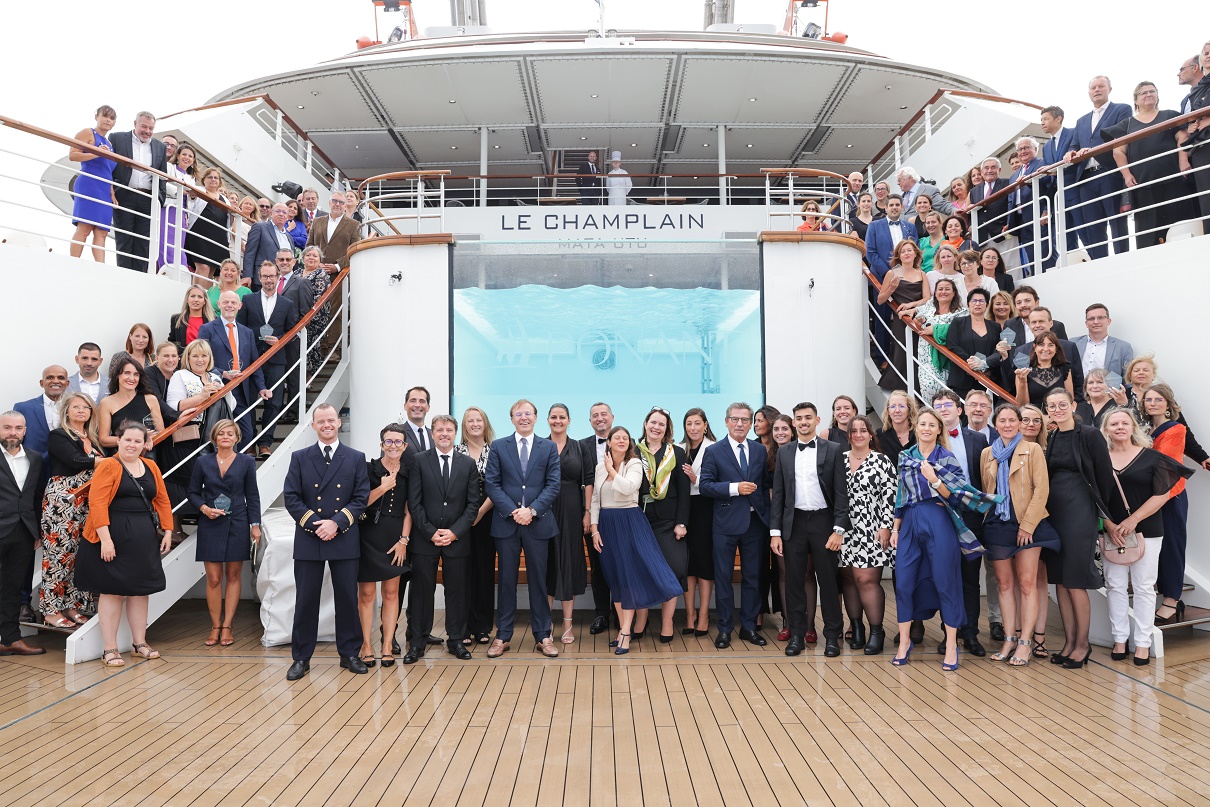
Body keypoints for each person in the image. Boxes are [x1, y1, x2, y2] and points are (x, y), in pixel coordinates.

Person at [890, 408, 997, 671]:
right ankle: (904, 641)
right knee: (903, 582)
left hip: (938, 521)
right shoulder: (905, 456)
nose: (926, 428)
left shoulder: (947, 458)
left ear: (939, 430)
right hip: (910, 523)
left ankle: (951, 644)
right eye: (922, 424)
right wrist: (895, 529)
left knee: (946, 582)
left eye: (932, 425)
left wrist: (935, 480)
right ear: (916, 428)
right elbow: (901, 496)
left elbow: (958, 496)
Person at [282, 404, 371, 680]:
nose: (327, 425)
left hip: (343, 537)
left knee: (346, 599)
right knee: (306, 600)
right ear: (313, 426)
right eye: (321, 421)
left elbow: (360, 497)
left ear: (339, 423)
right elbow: (291, 497)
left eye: (331, 420)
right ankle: (301, 658)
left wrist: (337, 523)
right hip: (310, 538)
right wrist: (315, 524)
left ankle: (349, 654)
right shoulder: (300, 457)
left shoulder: (356, 457)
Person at [78, 422, 173, 665]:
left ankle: (139, 642)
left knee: (141, 591)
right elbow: (97, 504)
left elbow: (161, 499)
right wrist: (105, 540)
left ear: (145, 444)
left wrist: (169, 530)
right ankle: (109, 649)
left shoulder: (151, 465)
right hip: (113, 534)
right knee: (111, 591)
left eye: (137, 441)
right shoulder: (109, 465)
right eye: (127, 440)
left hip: (143, 538)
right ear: (118, 441)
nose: (132, 445)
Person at [1103, 408, 1191, 666]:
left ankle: (1142, 643)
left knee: (1143, 587)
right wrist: (1108, 524)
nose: (1119, 427)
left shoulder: (1153, 458)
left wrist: (1133, 520)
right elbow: (1094, 496)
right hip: (1111, 531)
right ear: (1106, 430)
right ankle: (1120, 640)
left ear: (1133, 428)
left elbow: (1162, 495)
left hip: (1148, 530)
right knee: (1115, 586)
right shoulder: (1100, 459)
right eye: (1114, 423)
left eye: (1124, 423)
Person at [589, 426, 684, 654]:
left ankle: (624, 633)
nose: (621, 441)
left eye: (625, 438)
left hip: (628, 521)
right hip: (606, 525)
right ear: (609, 442)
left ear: (629, 443)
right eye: (616, 438)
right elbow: (595, 499)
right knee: (615, 579)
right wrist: (594, 530)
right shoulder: (599, 467)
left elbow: (628, 488)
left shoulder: (634, 464)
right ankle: (625, 629)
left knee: (628, 577)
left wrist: (613, 471)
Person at [979, 403, 1061, 666]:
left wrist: (1027, 525)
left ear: (1019, 423)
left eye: (1012, 420)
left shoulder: (1032, 448)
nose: (1007, 425)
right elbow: (986, 490)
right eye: (1001, 420)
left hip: (1028, 524)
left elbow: (1042, 490)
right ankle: (1009, 639)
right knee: (1004, 585)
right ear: (995, 424)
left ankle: (1025, 642)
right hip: (997, 525)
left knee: (1027, 584)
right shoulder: (987, 453)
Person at [770, 402, 850, 658]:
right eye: (799, 418)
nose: (803, 422)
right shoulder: (784, 452)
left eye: (808, 418)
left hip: (824, 522)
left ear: (817, 420)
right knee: (794, 581)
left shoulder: (834, 449)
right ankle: (796, 635)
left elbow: (841, 492)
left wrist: (839, 529)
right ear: (794, 423)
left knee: (828, 581)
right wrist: (775, 532)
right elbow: (779, 495)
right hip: (794, 524)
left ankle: (831, 637)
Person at [483, 399, 562, 659]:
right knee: (506, 581)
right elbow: (492, 484)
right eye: (519, 414)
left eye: (528, 413)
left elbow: (553, 484)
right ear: (512, 418)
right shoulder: (498, 446)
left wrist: (532, 510)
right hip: (507, 523)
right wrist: (514, 511)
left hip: (538, 523)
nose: (524, 417)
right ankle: (503, 635)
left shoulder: (548, 447)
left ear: (536, 417)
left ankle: (543, 635)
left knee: (539, 581)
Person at [1042, 387, 1114, 669]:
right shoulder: (1053, 435)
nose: (1057, 410)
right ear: (1046, 409)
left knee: (1075, 579)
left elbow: (1104, 476)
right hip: (1055, 513)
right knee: (1060, 580)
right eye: (1052, 406)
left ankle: (1083, 646)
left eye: (1062, 405)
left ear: (1073, 405)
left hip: (1079, 511)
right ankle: (1069, 643)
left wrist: (1097, 512)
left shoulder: (1090, 434)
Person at [406, 414, 480, 663]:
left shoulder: (467, 464)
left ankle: (456, 640)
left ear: (455, 433)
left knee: (457, 591)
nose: (444, 434)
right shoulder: (418, 461)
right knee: (421, 592)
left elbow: (473, 504)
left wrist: (455, 532)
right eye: (439, 430)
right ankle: (417, 642)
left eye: (449, 430)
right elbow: (414, 503)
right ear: (432, 433)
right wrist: (429, 531)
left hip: (457, 539)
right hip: (425, 539)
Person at [699, 402, 770, 649]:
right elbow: (705, 485)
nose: (740, 424)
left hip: (755, 525)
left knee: (753, 577)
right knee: (724, 578)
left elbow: (763, 486)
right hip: (725, 524)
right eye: (735, 419)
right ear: (727, 421)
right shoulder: (714, 451)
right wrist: (734, 489)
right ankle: (725, 629)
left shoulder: (759, 451)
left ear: (751, 424)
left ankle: (749, 627)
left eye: (745, 420)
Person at [927, 390, 990, 656]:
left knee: (970, 578)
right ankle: (948, 632)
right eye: (937, 405)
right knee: (945, 577)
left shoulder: (978, 439)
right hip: (941, 515)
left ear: (959, 410)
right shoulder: (928, 442)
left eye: (948, 404)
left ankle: (971, 633)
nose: (943, 408)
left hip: (971, 517)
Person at [188, 420, 260, 648]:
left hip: (237, 522)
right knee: (214, 578)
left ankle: (227, 625)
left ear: (237, 438)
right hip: (210, 523)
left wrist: (255, 524)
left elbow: (253, 495)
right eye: (221, 433)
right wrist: (204, 508)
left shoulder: (247, 461)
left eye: (230, 433)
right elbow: (192, 492)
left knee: (234, 576)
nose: (226, 436)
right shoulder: (203, 462)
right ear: (214, 437)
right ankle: (215, 625)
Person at [1102, 82, 1195, 249]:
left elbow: (1182, 137)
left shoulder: (1169, 115)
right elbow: (1118, 152)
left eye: (1152, 91)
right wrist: (1126, 174)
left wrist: (1183, 160)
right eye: (1143, 92)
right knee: (1149, 238)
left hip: (1174, 181)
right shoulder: (1128, 124)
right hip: (1144, 187)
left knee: (1182, 230)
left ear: (1158, 96)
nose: (1148, 94)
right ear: (1136, 100)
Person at [39, 393, 105, 628]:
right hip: (63, 502)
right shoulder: (59, 435)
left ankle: (72, 606)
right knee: (58, 556)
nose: (81, 411)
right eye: (76, 407)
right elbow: (75, 460)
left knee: (80, 556)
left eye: (86, 407)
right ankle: (50, 609)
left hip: (88, 504)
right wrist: (111, 462)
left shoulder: (94, 439)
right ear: (66, 411)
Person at [838, 414, 895, 655]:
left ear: (871, 434)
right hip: (843, 531)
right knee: (849, 579)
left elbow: (891, 497)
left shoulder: (881, 461)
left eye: (863, 430)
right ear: (848, 435)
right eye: (854, 431)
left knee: (866, 580)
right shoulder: (838, 460)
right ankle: (857, 628)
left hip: (872, 530)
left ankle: (876, 631)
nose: (858, 434)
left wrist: (886, 526)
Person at [357, 423, 412, 666]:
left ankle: (388, 644)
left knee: (391, 593)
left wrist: (403, 541)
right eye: (388, 442)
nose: (393, 446)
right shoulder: (369, 469)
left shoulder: (410, 472)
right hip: (368, 535)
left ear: (405, 446)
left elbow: (410, 511)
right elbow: (359, 503)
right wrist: (382, 487)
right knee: (367, 594)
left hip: (395, 537)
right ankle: (366, 644)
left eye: (397, 442)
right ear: (381, 445)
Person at [635, 407, 691, 642]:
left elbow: (685, 492)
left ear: (667, 429)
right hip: (639, 521)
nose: (656, 427)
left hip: (669, 523)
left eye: (662, 424)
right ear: (646, 424)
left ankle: (667, 622)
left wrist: (681, 523)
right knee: (640, 571)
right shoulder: (633, 452)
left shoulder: (677, 453)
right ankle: (640, 620)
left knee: (673, 570)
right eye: (653, 422)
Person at [1141, 385, 1191, 626]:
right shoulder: (1144, 429)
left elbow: (1165, 464)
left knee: (1172, 546)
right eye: (1148, 399)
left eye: (1158, 399)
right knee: (1154, 548)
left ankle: (1172, 600)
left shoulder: (1176, 428)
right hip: (1150, 497)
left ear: (1168, 404)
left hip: (1171, 495)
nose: (1152, 403)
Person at [238, 261, 300, 458]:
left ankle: (265, 443)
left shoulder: (287, 304)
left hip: (276, 359)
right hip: (251, 359)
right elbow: (241, 328)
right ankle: (249, 442)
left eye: (271, 276)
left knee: (273, 403)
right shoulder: (248, 300)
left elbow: (292, 331)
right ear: (259, 278)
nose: (268, 280)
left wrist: (279, 340)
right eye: (264, 276)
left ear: (277, 276)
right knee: (248, 401)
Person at [1065, 76, 1132, 259]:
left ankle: (1122, 258)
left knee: (1116, 220)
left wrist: (1093, 149)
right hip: (1085, 178)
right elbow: (1074, 144)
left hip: (1109, 171)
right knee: (1092, 224)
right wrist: (1070, 152)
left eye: (1101, 86)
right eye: (1093, 87)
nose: (1097, 90)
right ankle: (1099, 261)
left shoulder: (1121, 109)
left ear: (1110, 89)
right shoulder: (1081, 121)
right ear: (1089, 93)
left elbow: (1121, 134)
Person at [198, 291, 272, 449]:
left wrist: (261, 387)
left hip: (241, 389)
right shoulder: (207, 329)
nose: (229, 306)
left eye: (233, 302)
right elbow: (200, 360)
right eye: (225, 302)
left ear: (239, 306)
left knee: (247, 433)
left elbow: (254, 363)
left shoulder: (247, 332)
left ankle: (235, 463)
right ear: (218, 304)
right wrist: (222, 373)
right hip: (218, 389)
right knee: (217, 433)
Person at [0, 412, 46, 656]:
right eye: (7, 427)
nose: (12, 433)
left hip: (23, 532)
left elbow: (36, 496)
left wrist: (36, 529)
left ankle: (10, 639)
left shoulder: (35, 458)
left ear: (25, 430)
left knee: (12, 588)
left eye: (18, 428)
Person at [545, 404, 591, 644]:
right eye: (553, 417)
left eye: (562, 417)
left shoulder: (580, 447)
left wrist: (587, 512)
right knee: (548, 564)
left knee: (569, 563)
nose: (558, 420)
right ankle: (545, 626)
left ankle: (568, 626)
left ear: (569, 420)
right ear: (547, 420)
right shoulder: (540, 445)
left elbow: (588, 481)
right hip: (545, 511)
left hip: (573, 511)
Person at [1120, 355, 1210, 469]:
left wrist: (1201, 456)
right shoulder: (1120, 396)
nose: (1141, 373)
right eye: (1136, 370)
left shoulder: (1162, 395)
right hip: (1129, 456)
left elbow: (1183, 429)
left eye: (1146, 370)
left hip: (1157, 458)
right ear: (1129, 376)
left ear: (1153, 375)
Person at [455, 407, 496, 645]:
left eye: (479, 419)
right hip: (460, 519)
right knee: (462, 573)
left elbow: (497, 486)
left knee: (484, 571)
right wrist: (467, 516)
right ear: (465, 425)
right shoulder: (456, 450)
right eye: (470, 420)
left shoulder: (496, 451)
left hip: (488, 517)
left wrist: (479, 513)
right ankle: (464, 626)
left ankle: (482, 627)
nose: (475, 423)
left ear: (485, 423)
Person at [109, 112, 168, 273]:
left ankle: (140, 277)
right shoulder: (117, 138)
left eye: (151, 128)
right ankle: (124, 275)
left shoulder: (159, 147)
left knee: (144, 242)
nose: (147, 131)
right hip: (124, 195)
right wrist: (111, 190)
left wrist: (159, 199)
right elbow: (108, 165)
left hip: (148, 198)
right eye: (144, 126)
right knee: (124, 239)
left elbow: (162, 175)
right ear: (135, 123)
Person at [866, 195, 919, 363]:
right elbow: (871, 253)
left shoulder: (910, 227)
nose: (895, 207)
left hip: (908, 281)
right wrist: (890, 273)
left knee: (905, 319)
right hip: (883, 279)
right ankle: (883, 358)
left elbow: (915, 251)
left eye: (897, 205)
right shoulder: (874, 226)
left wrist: (905, 273)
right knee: (882, 319)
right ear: (886, 208)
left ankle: (905, 359)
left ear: (902, 207)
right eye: (892, 205)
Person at [307, 193, 361, 353]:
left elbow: (355, 250)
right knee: (317, 310)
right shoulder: (317, 222)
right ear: (329, 203)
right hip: (318, 274)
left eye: (341, 202)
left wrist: (337, 266)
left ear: (346, 206)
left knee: (336, 311)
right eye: (335, 201)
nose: (338, 204)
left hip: (340, 275)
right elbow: (309, 245)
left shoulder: (353, 224)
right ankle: (319, 346)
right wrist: (316, 263)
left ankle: (334, 349)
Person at [679, 407, 716, 637]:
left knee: (704, 562)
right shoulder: (679, 449)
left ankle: (703, 614)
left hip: (705, 508)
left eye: (697, 423)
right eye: (689, 424)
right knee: (687, 563)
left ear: (705, 424)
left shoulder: (714, 447)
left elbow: (720, 478)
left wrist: (696, 478)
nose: (693, 428)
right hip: (684, 509)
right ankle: (689, 614)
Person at [578, 402, 615, 632]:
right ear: (590, 421)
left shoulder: (627, 441)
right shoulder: (581, 446)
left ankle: (624, 612)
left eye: (603, 414)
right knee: (598, 566)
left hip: (620, 514)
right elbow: (581, 482)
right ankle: (602, 614)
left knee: (621, 563)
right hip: (592, 515)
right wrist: (587, 512)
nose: (599, 418)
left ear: (612, 417)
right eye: (595, 415)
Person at [876, 239, 929, 391]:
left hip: (918, 317)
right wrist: (891, 289)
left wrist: (912, 305)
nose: (906, 253)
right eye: (903, 251)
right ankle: (898, 387)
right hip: (901, 320)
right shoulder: (893, 273)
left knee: (918, 352)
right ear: (899, 255)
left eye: (909, 250)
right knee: (901, 351)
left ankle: (917, 388)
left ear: (915, 254)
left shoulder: (921, 273)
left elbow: (927, 298)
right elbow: (880, 300)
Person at [69, 105, 117, 262]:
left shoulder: (109, 144)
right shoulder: (88, 132)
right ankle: (73, 261)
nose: (108, 120)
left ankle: (100, 266)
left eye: (111, 118)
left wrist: (112, 192)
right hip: (89, 184)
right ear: (97, 116)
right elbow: (73, 155)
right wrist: (95, 153)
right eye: (105, 116)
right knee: (85, 226)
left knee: (102, 231)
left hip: (104, 189)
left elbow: (107, 170)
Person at [1039, 105, 1080, 258]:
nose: (1042, 123)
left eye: (1046, 119)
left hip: (1076, 190)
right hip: (1059, 196)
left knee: (1083, 229)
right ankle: (1072, 261)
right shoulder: (1047, 146)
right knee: (1065, 234)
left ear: (1058, 119)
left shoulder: (1073, 133)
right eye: (1041, 120)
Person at [913, 278, 963, 404]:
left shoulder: (961, 313)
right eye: (940, 289)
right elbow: (917, 316)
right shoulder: (929, 307)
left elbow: (960, 331)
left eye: (947, 289)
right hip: (925, 358)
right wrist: (918, 320)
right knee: (928, 387)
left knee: (947, 396)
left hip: (946, 360)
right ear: (935, 293)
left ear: (954, 293)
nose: (943, 292)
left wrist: (935, 329)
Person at [98, 358, 165, 450]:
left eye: (136, 374)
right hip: (119, 456)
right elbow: (103, 440)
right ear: (118, 375)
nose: (132, 378)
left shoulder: (150, 399)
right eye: (127, 373)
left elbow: (161, 432)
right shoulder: (106, 402)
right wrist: (136, 439)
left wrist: (147, 441)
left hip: (147, 454)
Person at [945, 288, 999, 401]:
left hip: (986, 378)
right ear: (968, 304)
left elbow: (998, 351)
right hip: (962, 378)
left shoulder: (995, 326)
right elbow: (952, 345)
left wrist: (984, 365)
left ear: (987, 304)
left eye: (981, 301)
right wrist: (973, 364)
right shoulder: (958, 322)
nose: (977, 304)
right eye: (974, 301)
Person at [1005, 137, 1048, 275]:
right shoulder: (1014, 176)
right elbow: (1011, 200)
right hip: (1021, 218)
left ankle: (1051, 277)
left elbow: (1050, 186)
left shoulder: (1043, 163)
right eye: (1020, 149)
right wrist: (1009, 222)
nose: (1023, 151)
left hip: (1038, 213)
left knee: (1045, 251)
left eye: (1026, 148)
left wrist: (1047, 210)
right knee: (1031, 255)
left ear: (1035, 149)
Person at [184, 167, 234, 280]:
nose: (213, 180)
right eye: (210, 177)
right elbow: (189, 206)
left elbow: (228, 222)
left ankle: (206, 296)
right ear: (204, 179)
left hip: (218, 237)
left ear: (220, 182)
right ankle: (198, 294)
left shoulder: (225, 200)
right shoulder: (198, 190)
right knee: (203, 267)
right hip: (199, 234)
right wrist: (191, 197)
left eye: (216, 178)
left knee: (211, 270)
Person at [14, 365, 70, 463]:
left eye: (61, 377)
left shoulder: (76, 408)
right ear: (41, 383)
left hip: (68, 468)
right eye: (50, 377)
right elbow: (14, 441)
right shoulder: (23, 408)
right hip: (34, 468)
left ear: (67, 383)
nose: (56, 381)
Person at [160, 144, 197, 271]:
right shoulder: (169, 167)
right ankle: (165, 269)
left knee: (178, 244)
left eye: (190, 156)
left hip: (182, 213)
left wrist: (192, 197)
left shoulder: (191, 178)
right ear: (178, 156)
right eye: (184, 154)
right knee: (165, 241)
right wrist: (180, 192)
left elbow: (191, 200)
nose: (187, 157)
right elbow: (163, 182)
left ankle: (180, 269)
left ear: (193, 161)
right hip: (168, 208)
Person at [1013, 331, 1073, 409]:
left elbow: (1069, 400)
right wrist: (1022, 381)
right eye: (1041, 345)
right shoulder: (1023, 370)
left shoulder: (1064, 368)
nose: (1045, 349)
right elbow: (1022, 405)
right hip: (1034, 417)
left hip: (1058, 416)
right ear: (1035, 347)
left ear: (1056, 349)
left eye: (1050, 345)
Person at [1073, 303, 1133, 380]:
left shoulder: (1123, 347)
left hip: (1108, 391)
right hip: (1076, 391)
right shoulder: (1074, 343)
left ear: (1108, 321)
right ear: (1086, 323)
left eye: (1100, 318)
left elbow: (1128, 379)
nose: (1096, 322)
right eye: (1091, 319)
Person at [1184, 43, 1210, 221]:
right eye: (1206, 53)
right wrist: (1191, 126)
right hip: (1201, 146)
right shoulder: (1198, 88)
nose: (1208, 56)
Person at [244, 203, 295, 288]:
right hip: (261, 279)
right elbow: (250, 252)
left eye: (284, 212)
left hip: (281, 283)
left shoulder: (289, 238)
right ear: (271, 213)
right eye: (278, 211)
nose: (281, 214)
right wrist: (247, 275)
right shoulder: (259, 227)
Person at [299, 246, 332, 376]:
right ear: (303, 258)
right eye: (308, 255)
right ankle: (298, 375)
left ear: (320, 260)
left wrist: (306, 314)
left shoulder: (321, 274)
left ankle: (310, 375)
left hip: (316, 316)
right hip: (298, 316)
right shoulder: (296, 273)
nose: (311, 258)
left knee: (311, 345)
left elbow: (320, 296)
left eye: (314, 256)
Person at [969, 158, 1011, 245]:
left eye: (993, 167)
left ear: (999, 170)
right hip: (983, 236)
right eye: (986, 168)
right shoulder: (974, 191)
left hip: (1004, 232)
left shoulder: (1007, 183)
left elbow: (1012, 204)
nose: (989, 170)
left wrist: (1010, 223)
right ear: (982, 171)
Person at [168, 285, 215, 354]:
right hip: (183, 361)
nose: (196, 300)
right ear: (187, 299)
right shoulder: (176, 319)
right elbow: (172, 342)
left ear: (204, 301)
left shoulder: (213, 320)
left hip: (205, 361)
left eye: (200, 297)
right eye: (192, 296)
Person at [875, 390, 917, 466]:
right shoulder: (880, 435)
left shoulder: (918, 433)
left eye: (901, 406)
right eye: (893, 406)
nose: (897, 410)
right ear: (888, 411)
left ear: (909, 410)